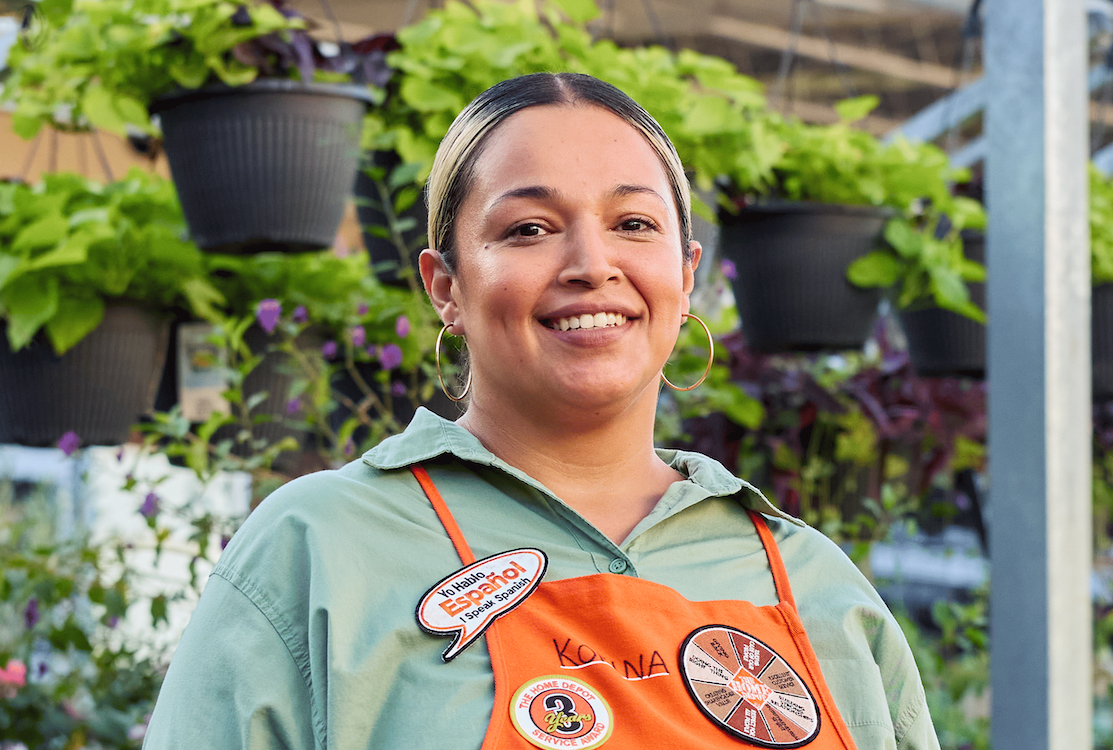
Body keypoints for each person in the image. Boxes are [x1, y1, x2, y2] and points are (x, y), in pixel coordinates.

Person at [144, 73, 937, 749]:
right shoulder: (319, 550)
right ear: (445, 286)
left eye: (633, 224)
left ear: (686, 273)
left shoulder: (811, 582)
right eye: (529, 229)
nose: (594, 266)